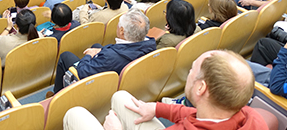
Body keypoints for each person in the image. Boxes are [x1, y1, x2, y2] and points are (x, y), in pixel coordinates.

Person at [63, 50, 266, 130]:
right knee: (121, 97)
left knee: (74, 114)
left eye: (192, 70)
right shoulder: (250, 117)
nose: (189, 72)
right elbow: (200, 114)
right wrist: (158, 109)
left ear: (201, 88)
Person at [51, 8, 155, 94]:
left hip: (101, 85)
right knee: (96, 45)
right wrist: (100, 50)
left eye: (118, 25)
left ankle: (57, 95)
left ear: (122, 31)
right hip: (123, 73)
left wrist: (89, 55)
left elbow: (83, 72)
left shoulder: (110, 57)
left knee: (65, 56)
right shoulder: (150, 45)